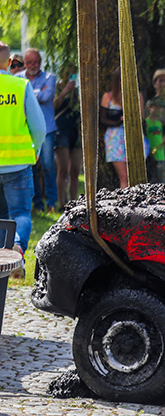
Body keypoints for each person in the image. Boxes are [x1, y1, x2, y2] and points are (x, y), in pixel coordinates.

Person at [0, 42, 47, 276]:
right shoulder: (20, 85)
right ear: (10, 63)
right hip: (17, 164)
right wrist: (36, 149)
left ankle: (1, 260)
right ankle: (17, 249)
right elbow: (39, 127)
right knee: (19, 213)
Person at [18, 48, 57, 212]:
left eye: (36, 62)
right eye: (29, 62)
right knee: (31, 168)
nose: (32, 65)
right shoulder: (17, 79)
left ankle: (52, 204)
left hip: (47, 129)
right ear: (25, 63)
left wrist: (29, 94)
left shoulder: (50, 77)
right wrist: (37, 92)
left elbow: (46, 96)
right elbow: (27, 99)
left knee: (48, 166)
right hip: (26, 131)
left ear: (40, 63)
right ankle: (37, 205)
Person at [100, 67, 144, 189]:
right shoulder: (107, 97)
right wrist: (118, 121)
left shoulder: (137, 95)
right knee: (124, 176)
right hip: (115, 138)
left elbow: (141, 118)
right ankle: (125, 201)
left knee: (135, 176)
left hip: (132, 135)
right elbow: (102, 119)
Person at [53, 69, 81, 206]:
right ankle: (61, 203)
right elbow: (54, 106)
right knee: (62, 169)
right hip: (61, 130)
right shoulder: (57, 88)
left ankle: (73, 202)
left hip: (75, 131)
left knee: (75, 170)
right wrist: (64, 92)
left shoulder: (77, 91)